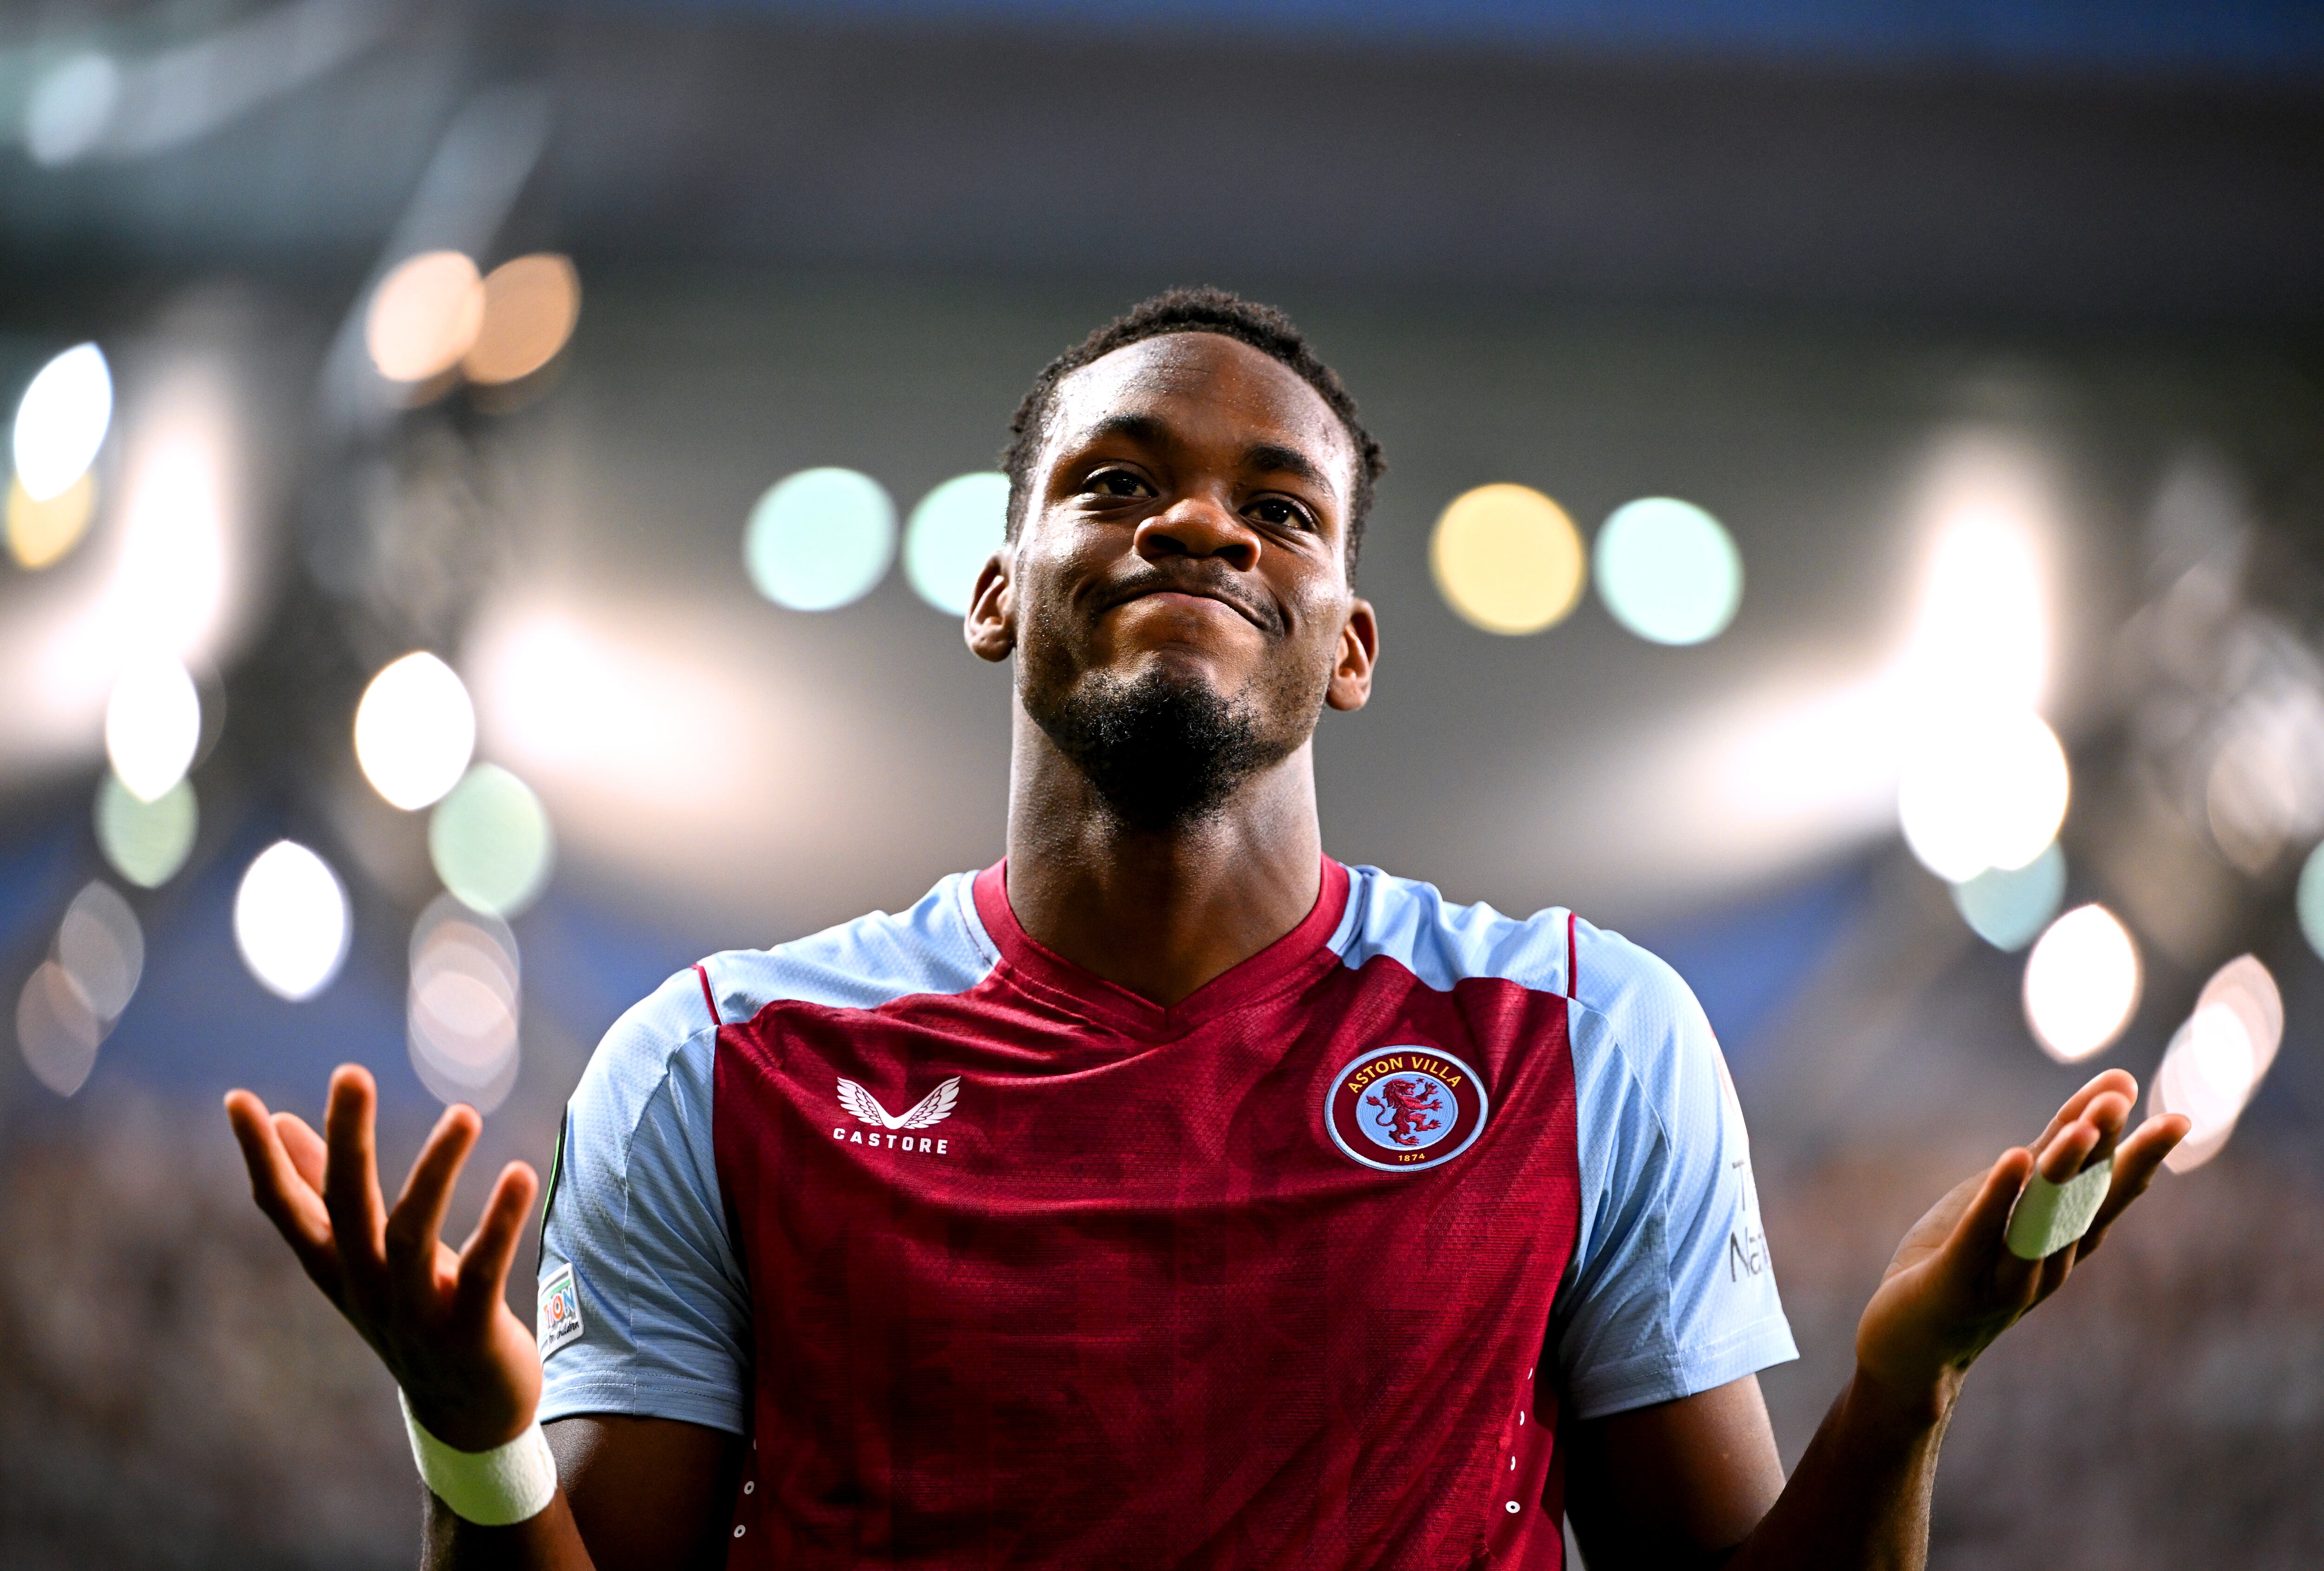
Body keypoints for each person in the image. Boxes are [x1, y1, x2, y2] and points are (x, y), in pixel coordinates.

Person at [226, 288, 2187, 1571]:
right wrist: (475, 1431)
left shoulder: (1583, 1037)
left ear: (1347, 645)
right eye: (1117, 480)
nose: (1200, 526)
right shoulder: (724, 1061)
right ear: (997, 594)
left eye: (1282, 506)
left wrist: (1900, 1384)